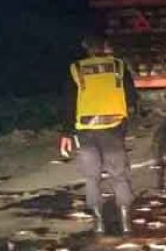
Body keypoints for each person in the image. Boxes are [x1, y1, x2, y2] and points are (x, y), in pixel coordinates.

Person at [60, 35, 140, 234]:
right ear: (105, 47)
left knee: (91, 177)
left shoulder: (76, 69)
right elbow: (132, 98)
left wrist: (66, 133)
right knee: (119, 176)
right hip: (113, 129)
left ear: (86, 48)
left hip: (85, 131)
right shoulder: (118, 67)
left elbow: (69, 103)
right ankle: (125, 222)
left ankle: (99, 223)